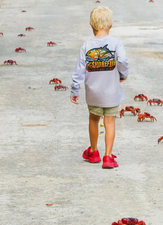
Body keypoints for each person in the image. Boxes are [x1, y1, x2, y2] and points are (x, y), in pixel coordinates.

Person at [70, 6, 129, 169]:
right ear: (110, 25)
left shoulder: (86, 45)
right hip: (112, 92)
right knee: (109, 122)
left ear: (91, 25)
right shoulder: (116, 43)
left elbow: (79, 69)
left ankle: (94, 151)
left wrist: (75, 90)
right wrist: (123, 75)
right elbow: (122, 62)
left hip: (93, 93)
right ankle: (108, 157)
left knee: (94, 119)